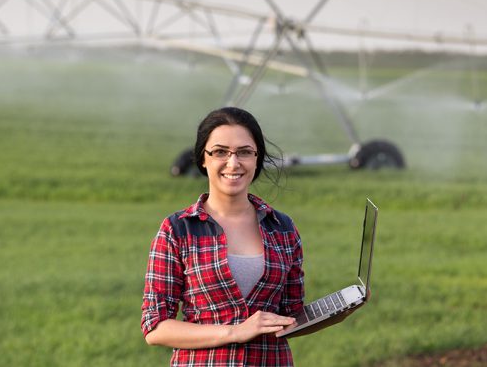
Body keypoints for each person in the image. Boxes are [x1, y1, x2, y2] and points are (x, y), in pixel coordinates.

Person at [140, 107, 353, 367]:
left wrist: (334, 314)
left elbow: (288, 318)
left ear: (256, 159)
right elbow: (155, 327)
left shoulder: (283, 228)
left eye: (244, 152)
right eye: (220, 152)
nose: (233, 163)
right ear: (203, 159)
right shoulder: (178, 230)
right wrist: (235, 331)